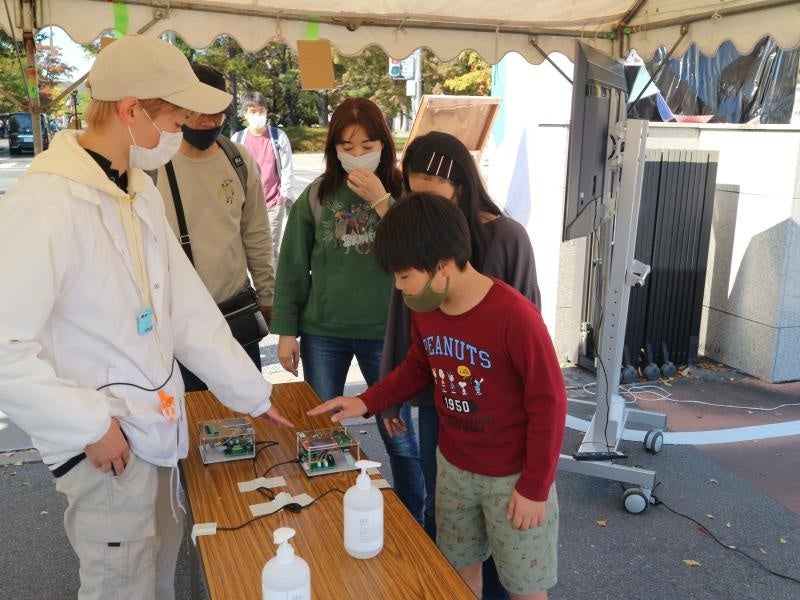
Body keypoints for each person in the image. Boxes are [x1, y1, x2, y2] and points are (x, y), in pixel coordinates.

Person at [0, 35, 292, 600]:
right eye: (176, 119)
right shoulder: (47, 204)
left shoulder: (137, 190)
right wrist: (90, 425)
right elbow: (5, 347)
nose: (182, 133)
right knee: (121, 584)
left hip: (153, 430)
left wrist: (253, 394)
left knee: (157, 564)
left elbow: (187, 313)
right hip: (105, 443)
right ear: (131, 109)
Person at [309, 192, 566, 600]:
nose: (398, 285)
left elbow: (549, 405)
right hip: (454, 470)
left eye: (405, 275)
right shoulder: (426, 306)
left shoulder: (515, 318)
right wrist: (367, 401)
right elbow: (417, 366)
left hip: (512, 479)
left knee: (525, 588)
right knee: (459, 575)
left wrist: (535, 487)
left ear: (443, 265)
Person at [382, 130, 541, 598]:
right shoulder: (414, 244)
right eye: (413, 188)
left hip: (502, 420)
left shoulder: (507, 238)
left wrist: (535, 478)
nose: (423, 200)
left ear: (461, 184)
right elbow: (407, 327)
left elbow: (538, 369)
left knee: (509, 533)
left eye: (433, 185)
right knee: (449, 517)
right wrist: (388, 399)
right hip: (442, 403)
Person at [270, 98, 426, 520]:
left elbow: (419, 250)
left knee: (398, 433)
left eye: (367, 144)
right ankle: (325, 513)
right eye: (347, 145)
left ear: (384, 144)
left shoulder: (403, 191)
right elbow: (292, 264)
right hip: (325, 331)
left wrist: (381, 199)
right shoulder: (318, 195)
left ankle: (417, 518)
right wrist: (287, 329)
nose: (357, 154)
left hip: (387, 332)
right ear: (333, 147)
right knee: (322, 428)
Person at [156, 64, 275, 391]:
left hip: (234, 317)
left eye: (219, 114)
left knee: (246, 414)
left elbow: (256, 234)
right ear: (178, 109)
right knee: (188, 420)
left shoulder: (237, 159)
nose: (210, 122)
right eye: (199, 113)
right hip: (176, 324)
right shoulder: (153, 165)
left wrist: (267, 292)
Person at [232, 92, 295, 263]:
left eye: (261, 110)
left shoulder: (278, 137)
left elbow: (287, 167)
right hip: (248, 205)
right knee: (248, 247)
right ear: (245, 113)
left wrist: (285, 195)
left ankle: (272, 288)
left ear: (266, 111)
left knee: (271, 249)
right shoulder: (237, 139)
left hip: (273, 202)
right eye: (252, 111)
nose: (257, 115)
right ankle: (253, 286)